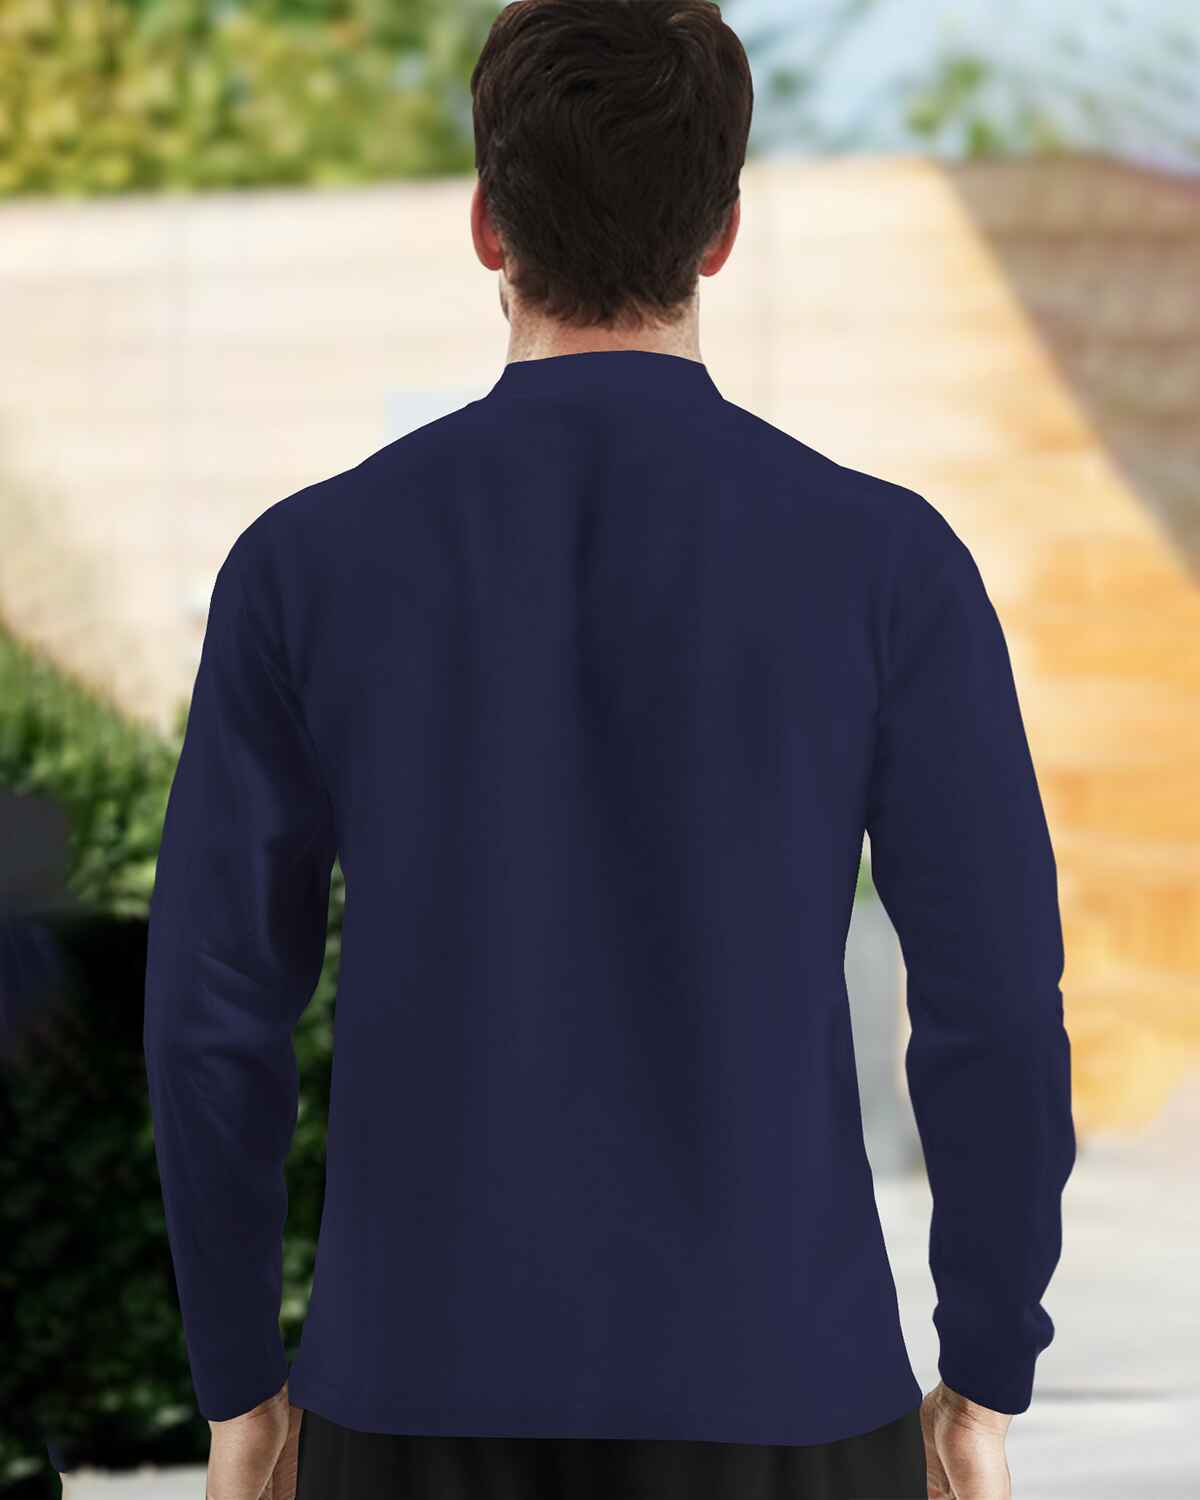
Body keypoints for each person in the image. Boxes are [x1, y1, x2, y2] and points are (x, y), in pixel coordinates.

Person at [142, 3, 1077, 1497]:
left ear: (486, 224)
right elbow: (996, 1008)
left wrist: (240, 1384)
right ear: (721, 233)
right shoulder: (888, 566)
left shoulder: (302, 568)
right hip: (790, 1394)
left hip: (408, 1396)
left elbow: (212, 1017)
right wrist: (985, 1372)